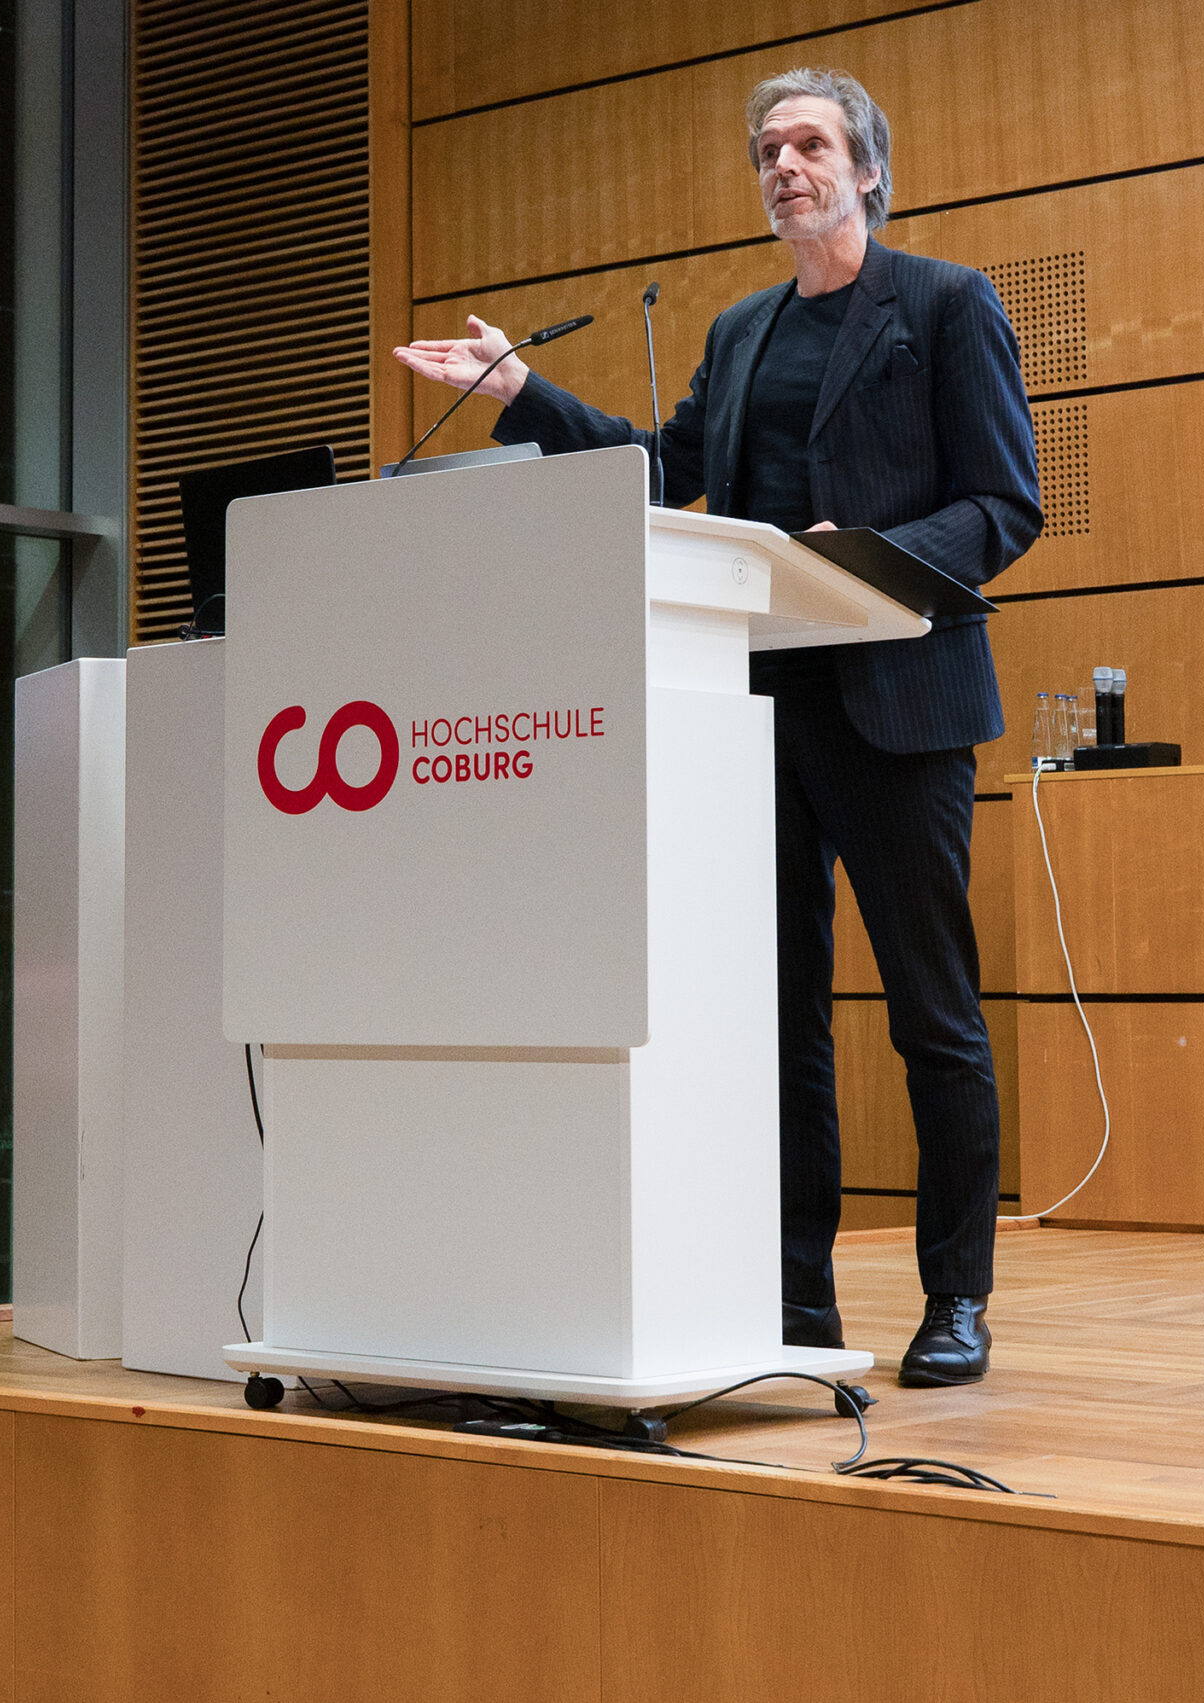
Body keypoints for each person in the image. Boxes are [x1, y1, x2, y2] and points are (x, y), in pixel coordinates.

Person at [394, 67, 1039, 1387]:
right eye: (765, 151)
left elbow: (1002, 504)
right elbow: (662, 466)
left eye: (808, 144)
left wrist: (865, 556)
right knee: (778, 1016)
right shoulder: (742, 332)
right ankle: (794, 1292)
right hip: (761, 708)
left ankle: (956, 1295)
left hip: (900, 702)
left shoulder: (943, 303)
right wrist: (521, 390)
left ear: (867, 168)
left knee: (931, 1012)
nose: (782, 165)